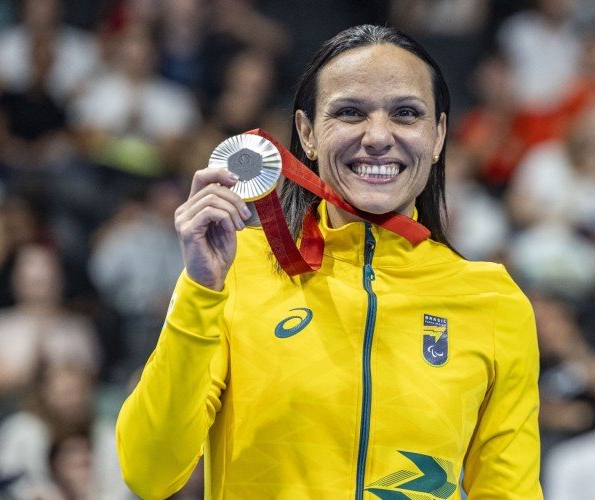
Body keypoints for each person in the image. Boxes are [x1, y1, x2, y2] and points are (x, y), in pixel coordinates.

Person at [116, 25, 541, 499]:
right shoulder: (236, 270)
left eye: (406, 113)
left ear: (438, 135)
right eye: (349, 112)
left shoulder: (494, 302)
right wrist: (201, 291)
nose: (378, 136)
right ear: (307, 133)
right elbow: (148, 472)